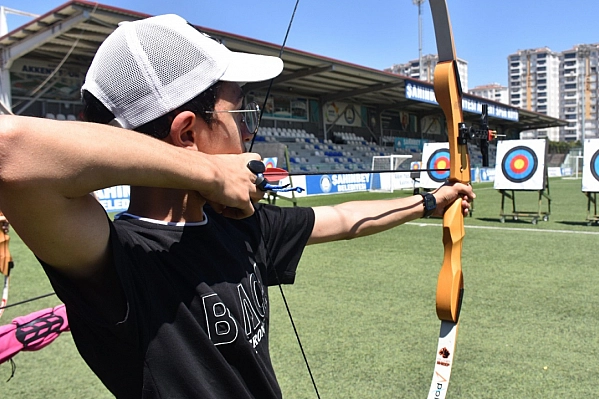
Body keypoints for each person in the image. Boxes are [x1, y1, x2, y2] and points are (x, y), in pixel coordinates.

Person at [0, 14, 473, 399]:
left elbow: (345, 219)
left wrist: (432, 201)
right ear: (188, 134)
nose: (249, 132)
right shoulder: (116, 262)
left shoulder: (239, 223)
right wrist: (210, 173)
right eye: (240, 114)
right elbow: (10, 151)